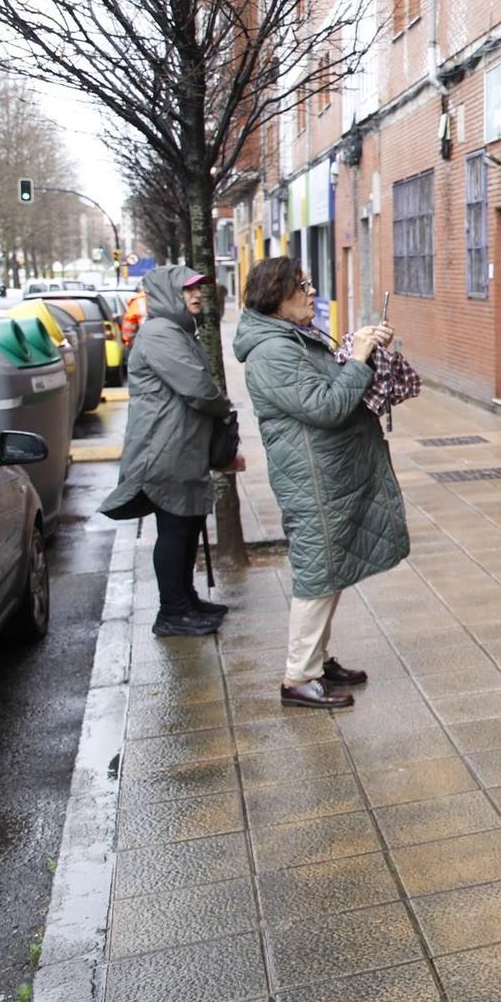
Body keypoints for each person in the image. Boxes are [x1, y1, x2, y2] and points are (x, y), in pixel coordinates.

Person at [234, 257, 409, 710]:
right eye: (302, 286)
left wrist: (361, 347)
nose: (311, 293)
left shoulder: (292, 336)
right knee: (316, 576)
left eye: (309, 284)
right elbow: (325, 406)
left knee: (328, 572)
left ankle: (318, 659)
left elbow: (328, 379)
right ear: (275, 298)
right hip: (310, 480)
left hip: (327, 475)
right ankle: (299, 678)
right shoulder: (272, 352)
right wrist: (357, 360)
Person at [99, 265, 233, 637]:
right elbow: (198, 387)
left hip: (180, 448)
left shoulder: (177, 331)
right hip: (163, 450)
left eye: (197, 290)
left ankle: (186, 600)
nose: (195, 296)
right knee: (174, 529)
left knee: (187, 526)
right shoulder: (160, 333)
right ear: (165, 294)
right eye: (186, 290)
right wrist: (223, 406)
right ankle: (171, 612)